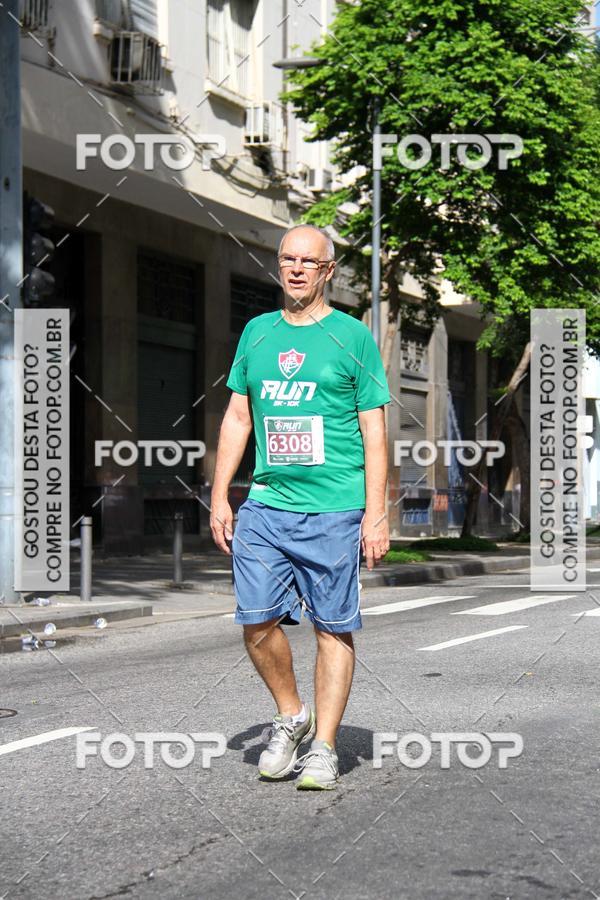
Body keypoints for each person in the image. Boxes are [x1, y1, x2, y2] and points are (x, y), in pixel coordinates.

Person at [210, 224, 390, 790]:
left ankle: (325, 747)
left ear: (327, 271)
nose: (295, 268)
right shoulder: (258, 333)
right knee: (256, 620)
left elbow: (374, 430)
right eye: (287, 259)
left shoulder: (352, 337)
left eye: (307, 261)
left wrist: (376, 512)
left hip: (335, 506)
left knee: (332, 627)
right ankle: (292, 715)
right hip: (266, 502)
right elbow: (240, 416)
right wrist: (220, 495)